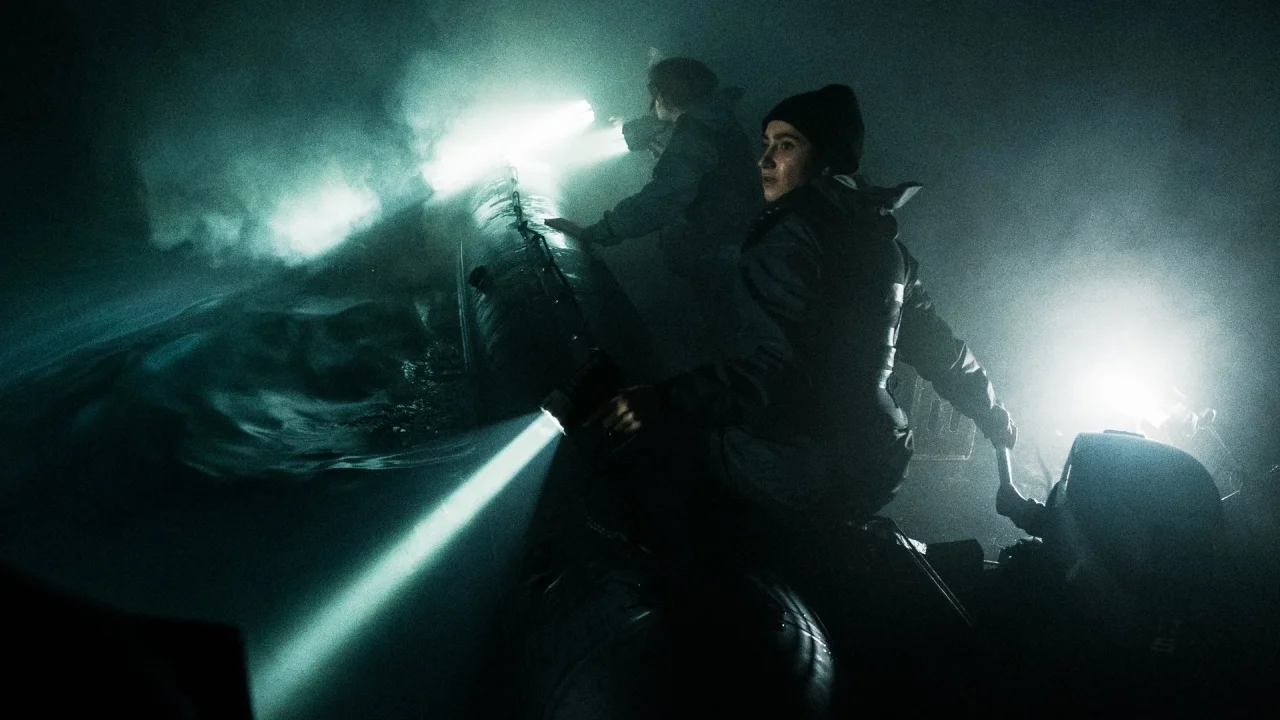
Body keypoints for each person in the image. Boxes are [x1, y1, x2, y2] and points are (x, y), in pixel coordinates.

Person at [591, 84, 1019, 710]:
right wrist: (993, 413)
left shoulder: (789, 236)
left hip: (797, 461)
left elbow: (772, 379)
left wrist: (660, 399)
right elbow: (941, 351)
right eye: (766, 144)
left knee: (649, 471)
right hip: (876, 458)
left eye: (785, 146)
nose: (764, 160)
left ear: (825, 160)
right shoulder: (884, 246)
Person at [545, 58, 762, 366]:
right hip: (738, 242)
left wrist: (598, 232)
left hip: (720, 251)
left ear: (661, 94)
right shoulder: (717, 120)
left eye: (653, 93)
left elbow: (662, 199)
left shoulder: (695, 135)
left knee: (726, 333)